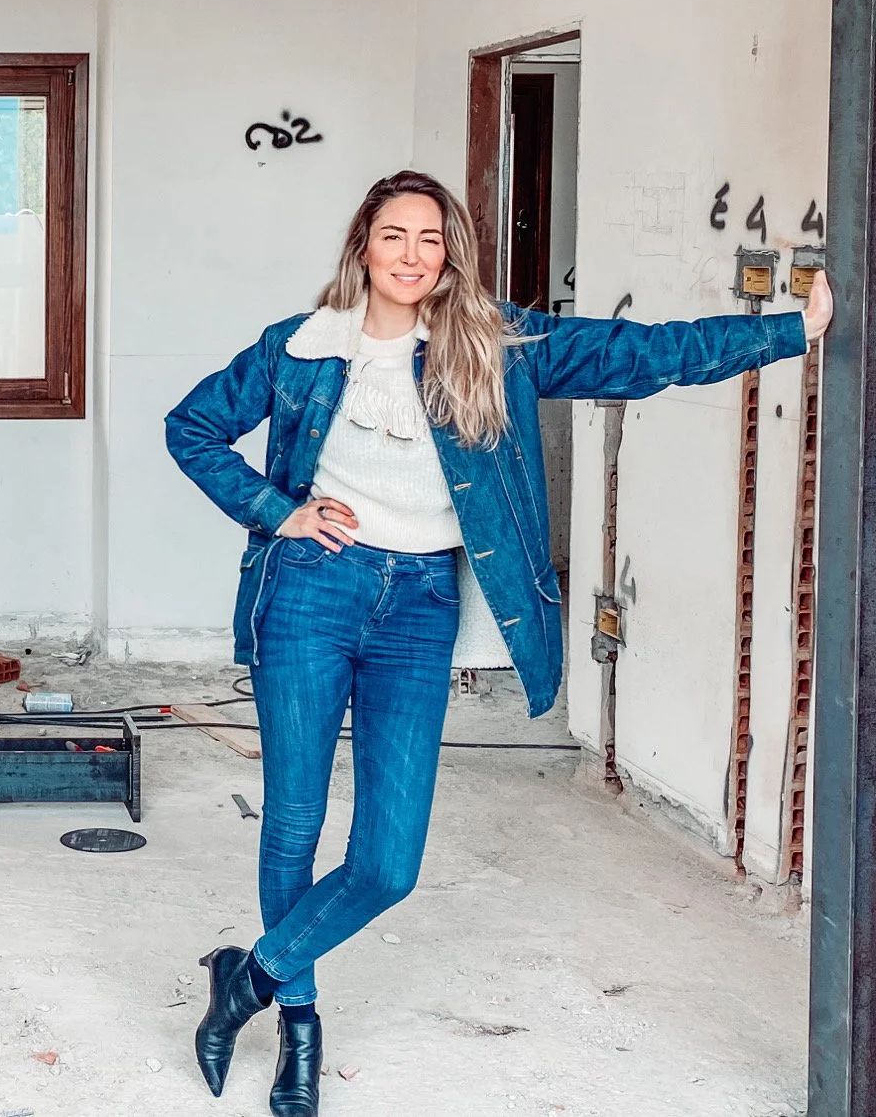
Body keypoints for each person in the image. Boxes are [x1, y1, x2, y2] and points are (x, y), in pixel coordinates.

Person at [163, 171, 830, 1115]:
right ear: (362, 246)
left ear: (450, 254)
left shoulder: (497, 347)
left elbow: (637, 355)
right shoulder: (301, 349)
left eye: (429, 239)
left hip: (421, 607)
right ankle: (300, 1029)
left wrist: (786, 331)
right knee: (295, 822)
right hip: (311, 595)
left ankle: (250, 977)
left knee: (388, 863)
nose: (410, 255)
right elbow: (188, 427)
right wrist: (279, 511)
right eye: (393, 236)